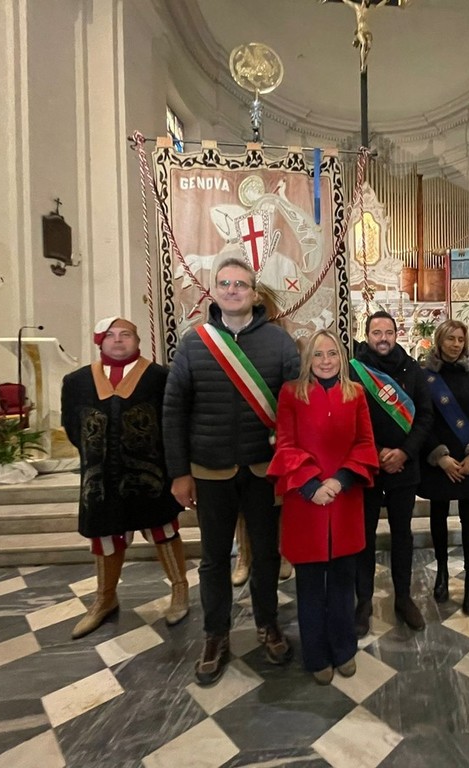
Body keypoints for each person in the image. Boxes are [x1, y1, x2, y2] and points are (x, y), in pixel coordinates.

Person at [163, 256, 300, 687]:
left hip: (264, 470)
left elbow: (297, 406)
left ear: (255, 294)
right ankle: (215, 635)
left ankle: (268, 624)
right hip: (210, 470)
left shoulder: (279, 342)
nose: (232, 290)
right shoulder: (194, 343)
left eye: (240, 284)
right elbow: (173, 411)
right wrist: (179, 473)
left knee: (267, 555)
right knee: (213, 559)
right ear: (214, 292)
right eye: (224, 284)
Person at [61, 317, 188, 640]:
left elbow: (174, 423)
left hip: (152, 475)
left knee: (163, 531)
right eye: (111, 335)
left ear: (137, 340)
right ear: (100, 342)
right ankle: (105, 598)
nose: (118, 340)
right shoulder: (76, 381)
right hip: (100, 477)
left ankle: (179, 590)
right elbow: (73, 428)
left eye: (126, 334)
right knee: (104, 537)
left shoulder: (160, 377)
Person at [268, 330, 378, 685]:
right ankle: (316, 655)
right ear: (308, 360)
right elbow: (285, 445)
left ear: (341, 358)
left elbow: (365, 442)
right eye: (318, 354)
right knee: (311, 586)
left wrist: (340, 480)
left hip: (344, 499)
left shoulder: (355, 393)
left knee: (344, 583)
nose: (326, 360)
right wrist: (311, 485)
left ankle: (344, 649)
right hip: (306, 501)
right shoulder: (291, 393)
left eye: (332, 354)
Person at [350, 310, 434, 635]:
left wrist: (404, 452)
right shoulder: (354, 370)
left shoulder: (413, 369)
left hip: (404, 466)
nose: (383, 339)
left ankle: (403, 598)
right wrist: (373, 453)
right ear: (367, 335)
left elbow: (425, 416)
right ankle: (363, 601)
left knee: (402, 535)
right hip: (366, 467)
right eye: (376, 333)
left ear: (396, 335)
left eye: (388, 333)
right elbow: (349, 418)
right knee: (364, 536)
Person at [418, 320, 469, 616]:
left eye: (460, 339)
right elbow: (421, 418)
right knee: (438, 514)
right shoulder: (425, 376)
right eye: (450, 339)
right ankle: (441, 571)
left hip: (468, 458)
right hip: (439, 459)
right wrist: (440, 456)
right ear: (439, 340)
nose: (455, 345)